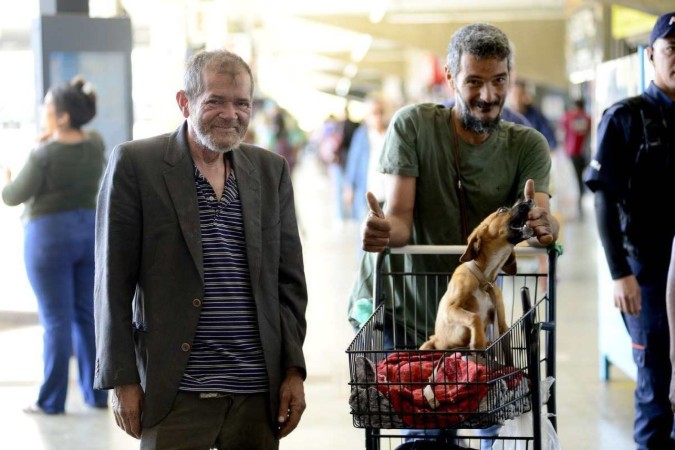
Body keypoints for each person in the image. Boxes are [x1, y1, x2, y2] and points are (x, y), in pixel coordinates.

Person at [348, 23, 559, 448]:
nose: (488, 95)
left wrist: (547, 228)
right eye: (474, 82)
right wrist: (381, 230)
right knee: (425, 438)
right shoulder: (414, 126)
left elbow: (541, 224)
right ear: (450, 77)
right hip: (409, 312)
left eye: (499, 81)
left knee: (491, 425)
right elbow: (402, 219)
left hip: (477, 324)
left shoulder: (527, 145)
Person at [93, 49, 308, 450]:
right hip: (176, 391)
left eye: (241, 103)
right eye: (215, 101)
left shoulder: (270, 170)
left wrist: (293, 370)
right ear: (184, 102)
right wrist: (122, 379)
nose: (231, 114)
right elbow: (112, 282)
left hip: (254, 394)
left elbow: (289, 283)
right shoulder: (137, 164)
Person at [584, 11, 675, 450]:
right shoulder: (625, 118)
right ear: (651, 55)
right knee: (656, 386)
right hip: (646, 273)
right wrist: (621, 273)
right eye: (671, 50)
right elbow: (602, 198)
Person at [1, 76, 108, 414]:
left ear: (62, 116)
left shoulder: (43, 153)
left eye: (48, 105)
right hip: (88, 234)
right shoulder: (95, 144)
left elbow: (12, 196)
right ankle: (98, 395)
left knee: (55, 320)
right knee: (85, 316)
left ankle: (51, 400)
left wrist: (8, 175)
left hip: (49, 237)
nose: (43, 109)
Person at [343, 95, 389, 223]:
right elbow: (353, 160)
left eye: (381, 112)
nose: (378, 116)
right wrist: (349, 186)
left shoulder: (391, 133)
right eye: (374, 113)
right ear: (368, 116)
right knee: (366, 234)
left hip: (388, 192)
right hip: (368, 191)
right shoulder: (361, 135)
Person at [560, 97, 591, 217]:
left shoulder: (568, 117)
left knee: (574, 178)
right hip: (584, 152)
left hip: (571, 152)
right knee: (581, 177)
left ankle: (577, 201)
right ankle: (580, 198)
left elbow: (563, 133)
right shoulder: (587, 118)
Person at [510, 79, 558, 150]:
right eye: (514, 95)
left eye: (520, 95)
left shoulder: (536, 115)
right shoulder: (503, 116)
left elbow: (551, 140)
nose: (516, 99)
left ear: (526, 96)